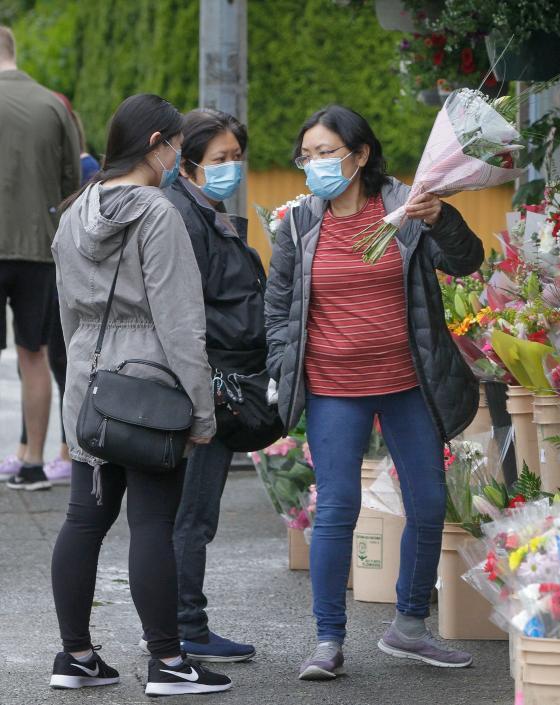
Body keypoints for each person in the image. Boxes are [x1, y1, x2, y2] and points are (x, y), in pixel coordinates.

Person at [264, 105, 484, 681]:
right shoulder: (296, 223)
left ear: (359, 155)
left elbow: (467, 262)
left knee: (430, 503)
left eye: (326, 153)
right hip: (335, 387)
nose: (314, 165)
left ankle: (409, 627)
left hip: (409, 382)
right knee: (338, 509)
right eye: (306, 155)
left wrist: (443, 220)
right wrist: (279, 367)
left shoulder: (407, 208)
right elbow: (279, 305)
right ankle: (327, 641)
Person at [49, 93, 231, 697]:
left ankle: (75, 656)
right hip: (151, 388)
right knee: (153, 523)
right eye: (178, 145)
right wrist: (202, 411)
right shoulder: (158, 213)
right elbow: (180, 323)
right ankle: (170, 664)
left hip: (91, 388)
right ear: (157, 143)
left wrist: (80, 391)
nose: (180, 156)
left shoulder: (74, 213)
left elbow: (69, 315)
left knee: (84, 518)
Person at [159, 108, 262, 662]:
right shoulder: (182, 215)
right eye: (220, 159)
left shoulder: (205, 211)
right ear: (189, 161)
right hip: (204, 384)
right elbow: (187, 308)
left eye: (236, 158)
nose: (231, 168)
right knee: (191, 514)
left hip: (210, 378)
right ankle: (185, 628)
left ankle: (180, 626)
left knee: (189, 512)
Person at [0, 25, 80, 491]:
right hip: (39, 249)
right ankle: (33, 461)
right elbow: (73, 178)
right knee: (36, 354)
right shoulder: (53, 103)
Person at [9, 96, 101, 487]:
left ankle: (53, 451)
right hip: (44, 258)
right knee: (40, 357)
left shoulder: (88, 169)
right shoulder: (53, 113)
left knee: (55, 360)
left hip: (44, 261)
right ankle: (34, 458)